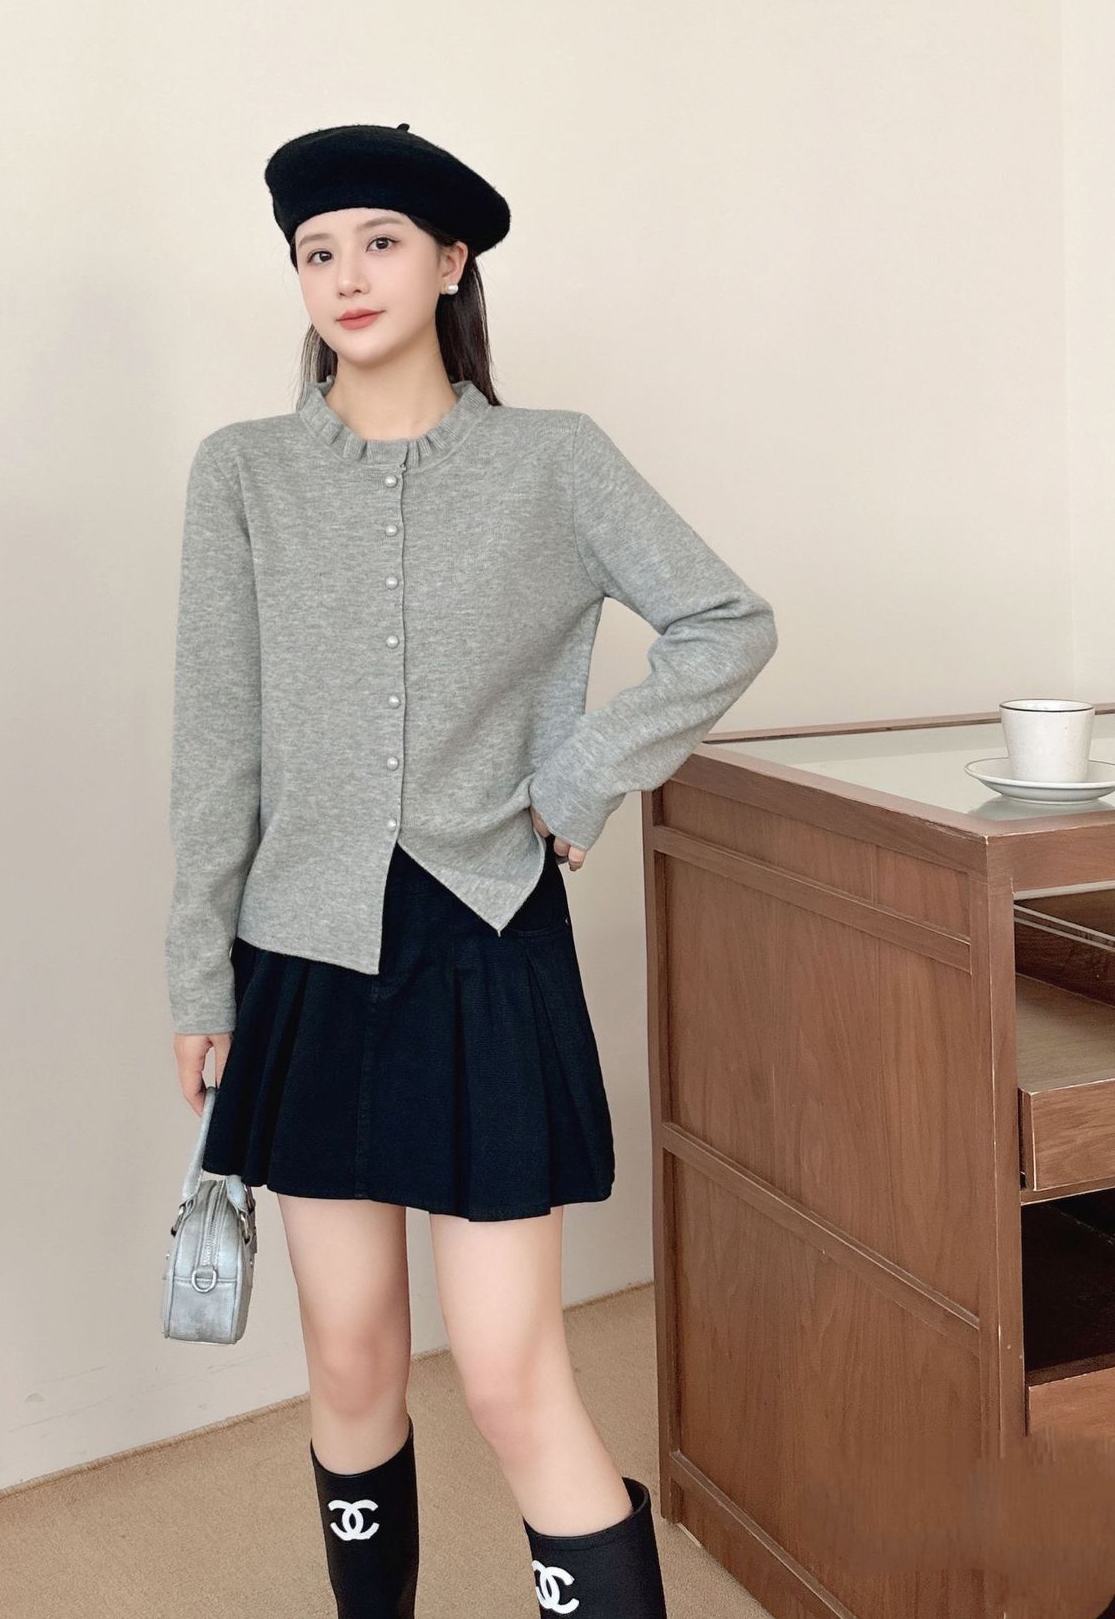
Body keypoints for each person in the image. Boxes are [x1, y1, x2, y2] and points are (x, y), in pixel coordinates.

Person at [165, 120, 779, 1617]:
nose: (345, 276)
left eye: (379, 242)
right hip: (303, 955)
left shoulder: (552, 460)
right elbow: (217, 740)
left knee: (508, 1378)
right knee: (350, 1357)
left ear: (451, 262)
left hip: (485, 947)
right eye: (316, 251)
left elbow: (725, 621)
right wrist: (198, 972)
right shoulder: (243, 473)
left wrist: (578, 775)